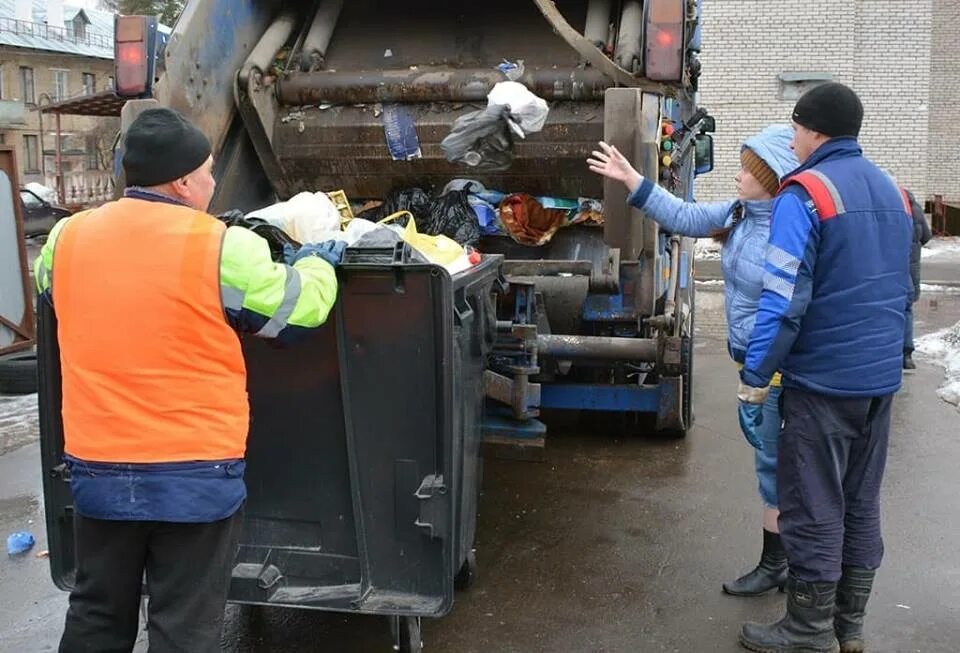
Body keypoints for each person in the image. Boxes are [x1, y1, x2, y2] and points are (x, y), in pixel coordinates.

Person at [34, 107, 344, 652]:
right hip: (193, 477)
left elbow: (55, 296)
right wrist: (319, 261)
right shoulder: (221, 245)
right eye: (206, 172)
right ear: (181, 181)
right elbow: (296, 315)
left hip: (99, 471)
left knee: (96, 613)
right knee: (183, 628)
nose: (211, 182)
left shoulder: (66, 239)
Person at [737, 83, 913, 653]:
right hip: (878, 381)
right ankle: (849, 626)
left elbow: (783, 299)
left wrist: (756, 376)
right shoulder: (894, 193)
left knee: (813, 501)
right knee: (861, 500)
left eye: (795, 130)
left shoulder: (806, 193)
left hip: (824, 383)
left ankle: (807, 630)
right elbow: (904, 289)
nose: (792, 140)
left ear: (813, 131)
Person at [588, 125, 799, 597]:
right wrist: (633, 181)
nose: (740, 176)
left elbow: (783, 313)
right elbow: (684, 215)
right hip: (758, 364)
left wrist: (760, 380)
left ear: (773, 178)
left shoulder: (786, 232)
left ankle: (783, 566)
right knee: (775, 465)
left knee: (778, 466)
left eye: (750, 170)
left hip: (776, 369)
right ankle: (787, 563)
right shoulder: (742, 213)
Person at [903, 187, 932, 370]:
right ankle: (906, 355)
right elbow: (927, 237)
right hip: (911, 269)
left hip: (892, 268)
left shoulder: (890, 205)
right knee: (907, 310)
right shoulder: (915, 208)